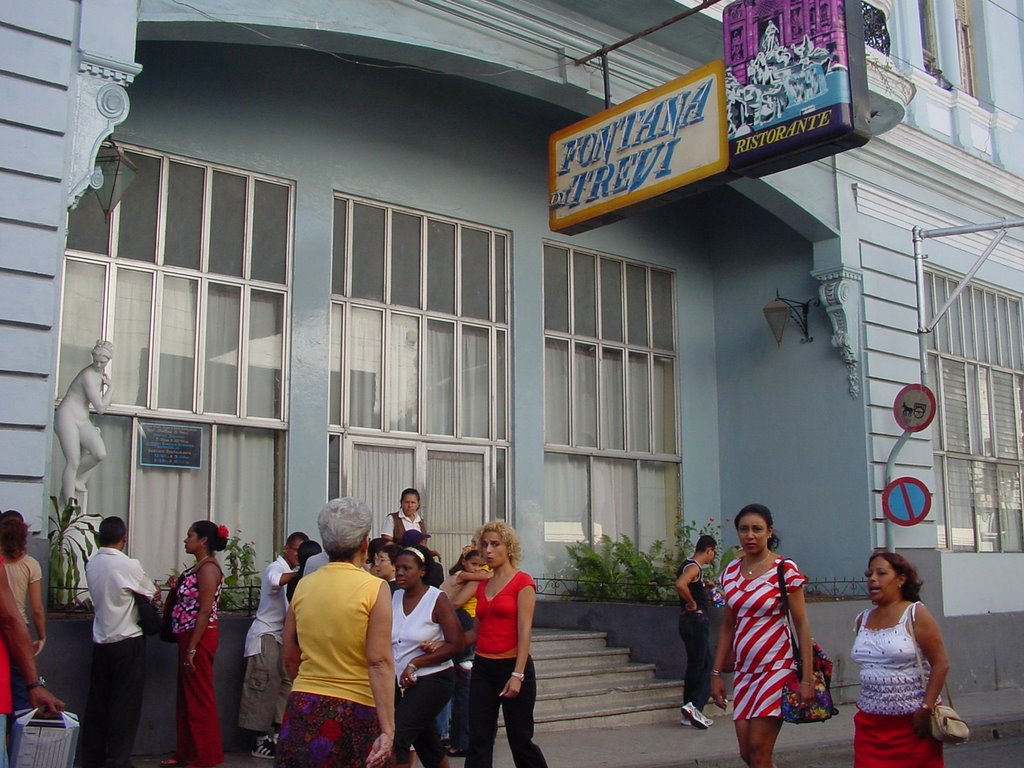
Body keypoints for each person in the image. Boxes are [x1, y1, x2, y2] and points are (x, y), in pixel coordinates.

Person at [277, 498, 395, 768]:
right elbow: (379, 661)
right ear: (364, 543)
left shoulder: (305, 586)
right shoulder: (374, 588)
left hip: (303, 703)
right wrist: (388, 729)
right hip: (355, 707)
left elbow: (290, 655)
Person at [710, 504, 814, 768]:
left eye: (757, 529)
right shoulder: (731, 572)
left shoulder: (784, 569)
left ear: (769, 532)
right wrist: (716, 673)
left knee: (758, 749)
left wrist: (807, 679)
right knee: (747, 752)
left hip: (776, 668)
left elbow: (802, 625)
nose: (750, 535)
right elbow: (727, 626)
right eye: (744, 529)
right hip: (745, 672)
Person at [852, 552, 950, 767]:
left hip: (912, 724)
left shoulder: (916, 613)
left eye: (881, 573)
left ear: (900, 579)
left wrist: (926, 707)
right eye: (869, 574)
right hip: (870, 725)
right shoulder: (862, 619)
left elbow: (940, 663)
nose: (872, 579)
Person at [466, 521, 548, 768]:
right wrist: (442, 645)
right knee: (479, 739)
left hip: (512, 666)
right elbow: (475, 633)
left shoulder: (522, 582)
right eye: (484, 545)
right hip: (482, 667)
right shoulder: (482, 584)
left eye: (495, 544)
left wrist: (517, 674)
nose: (488, 550)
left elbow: (525, 630)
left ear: (508, 548)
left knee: (520, 739)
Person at [82, 516, 159, 768]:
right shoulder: (129, 565)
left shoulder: (92, 564)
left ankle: (93, 757)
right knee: (125, 706)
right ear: (123, 538)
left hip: (101, 638)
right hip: (127, 640)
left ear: (99, 537)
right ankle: (118, 759)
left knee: (98, 703)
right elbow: (151, 592)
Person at [161, 521, 227, 768]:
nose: (185, 540)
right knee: (187, 695)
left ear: (203, 541)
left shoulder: (208, 568)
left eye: (190, 536)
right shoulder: (198, 567)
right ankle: (186, 750)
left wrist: (192, 648)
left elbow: (205, 609)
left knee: (199, 695)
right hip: (188, 634)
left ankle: (206, 755)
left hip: (198, 636)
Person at [391, 544, 464, 768]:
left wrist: (416, 662)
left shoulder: (436, 598)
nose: (400, 573)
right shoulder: (394, 597)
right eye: (397, 568)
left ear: (422, 571)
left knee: (397, 738)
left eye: (407, 568)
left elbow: (457, 642)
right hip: (398, 682)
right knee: (427, 742)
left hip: (433, 679)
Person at [239, 531, 309, 759]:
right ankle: (258, 740)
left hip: (284, 637)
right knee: (263, 683)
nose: (299, 556)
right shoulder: (276, 568)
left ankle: (278, 735)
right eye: (297, 551)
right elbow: (275, 581)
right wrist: (298, 573)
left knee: (285, 685)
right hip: (266, 635)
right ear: (286, 549)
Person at [0, 557, 65, 749]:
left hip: (13, 633)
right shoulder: (30, 565)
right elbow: (32, 610)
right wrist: (42, 635)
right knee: (22, 705)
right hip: (16, 633)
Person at [441, 548, 489, 759]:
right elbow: (456, 603)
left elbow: (457, 603)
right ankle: (459, 739)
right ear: (464, 563)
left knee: (462, 683)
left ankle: (460, 740)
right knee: (461, 683)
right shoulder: (466, 577)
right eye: (474, 564)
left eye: (480, 565)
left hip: (464, 622)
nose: (478, 568)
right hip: (462, 620)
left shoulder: (474, 578)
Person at [54, 340, 114, 504]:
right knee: (73, 460)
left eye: (102, 361)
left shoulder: (98, 375)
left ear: (108, 361)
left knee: (99, 453)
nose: (98, 364)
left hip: (82, 418)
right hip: (67, 416)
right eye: (96, 360)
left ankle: (75, 479)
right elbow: (100, 408)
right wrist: (111, 388)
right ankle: (69, 506)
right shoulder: (88, 375)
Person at [1, 514, 46, 711]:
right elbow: (36, 608)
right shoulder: (31, 565)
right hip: (19, 628)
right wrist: (42, 636)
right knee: (21, 689)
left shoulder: (2, 563)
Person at [676, 534, 717, 729]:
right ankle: (694, 706)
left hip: (688, 621)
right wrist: (692, 602)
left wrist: (703, 587)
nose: (712, 558)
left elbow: (688, 583)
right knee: (702, 664)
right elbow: (681, 584)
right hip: (696, 620)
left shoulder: (689, 566)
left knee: (699, 663)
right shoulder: (694, 567)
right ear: (708, 550)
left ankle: (689, 710)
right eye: (712, 553)